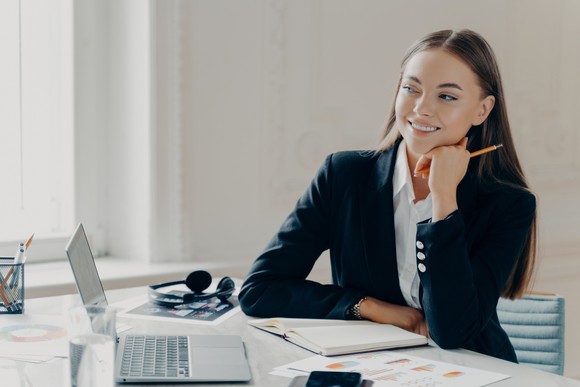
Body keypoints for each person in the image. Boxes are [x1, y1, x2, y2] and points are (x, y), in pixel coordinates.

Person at [238, 29, 537, 363]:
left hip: (474, 367)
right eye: (411, 89)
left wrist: (443, 201)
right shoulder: (343, 175)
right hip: (372, 363)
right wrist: (372, 307)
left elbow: (452, 331)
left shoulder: (510, 203)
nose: (422, 109)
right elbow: (259, 290)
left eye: (447, 97)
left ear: (482, 110)